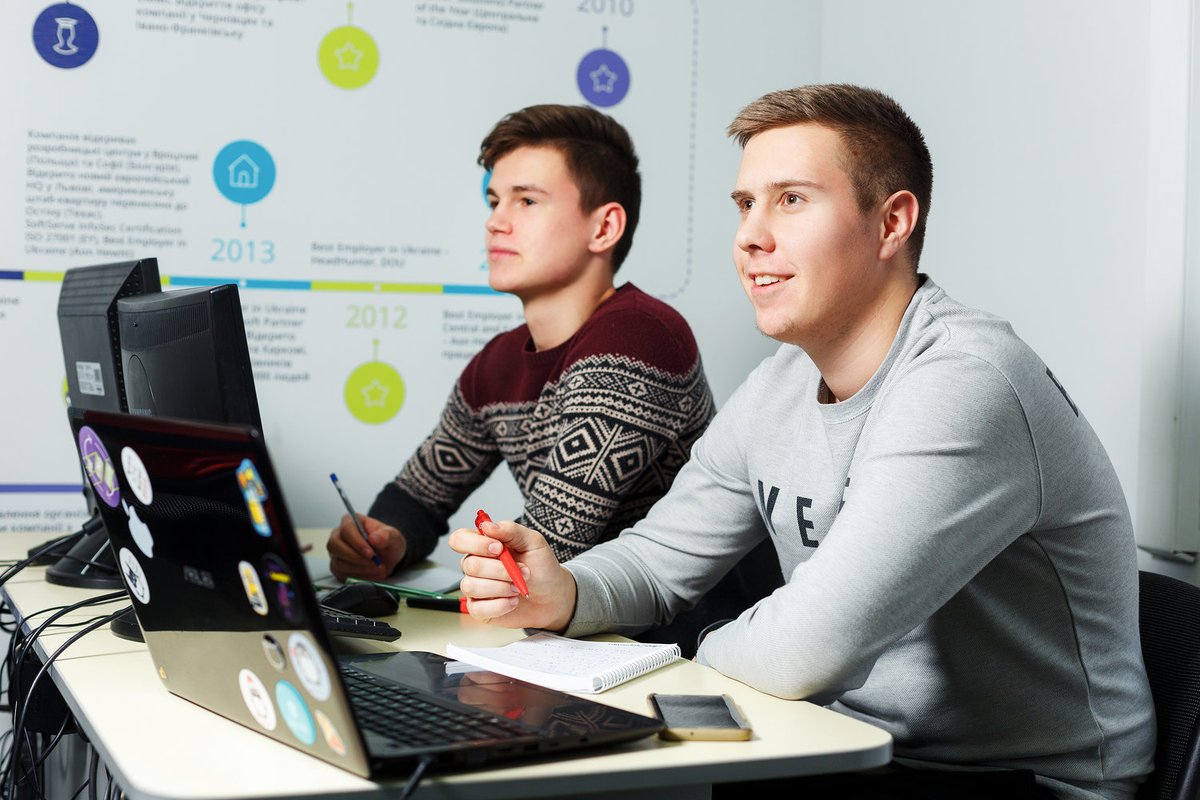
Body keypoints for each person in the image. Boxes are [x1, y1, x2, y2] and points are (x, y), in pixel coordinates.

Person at [449, 85, 1155, 800]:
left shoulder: (966, 381)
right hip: (840, 743)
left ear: (892, 223)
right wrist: (566, 593)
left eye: (790, 200)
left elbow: (805, 649)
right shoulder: (782, 381)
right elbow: (660, 559)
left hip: (1025, 783)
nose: (750, 236)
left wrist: (670, 660)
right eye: (744, 204)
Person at [327, 104, 780, 651]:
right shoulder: (497, 363)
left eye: (526, 201)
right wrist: (384, 540)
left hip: (687, 648)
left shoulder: (640, 337)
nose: (496, 221)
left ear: (604, 227)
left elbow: (548, 545)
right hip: (578, 641)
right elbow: (418, 497)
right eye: (494, 201)